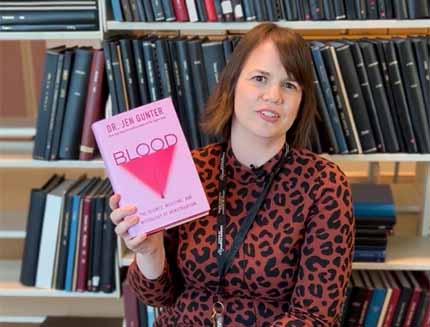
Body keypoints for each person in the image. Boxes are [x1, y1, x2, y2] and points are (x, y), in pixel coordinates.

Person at [109, 23, 354, 327]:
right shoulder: (191, 169)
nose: (274, 96)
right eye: (260, 78)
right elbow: (157, 297)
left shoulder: (323, 184)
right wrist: (150, 251)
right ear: (231, 84)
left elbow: (315, 318)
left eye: (290, 85)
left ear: (301, 100)